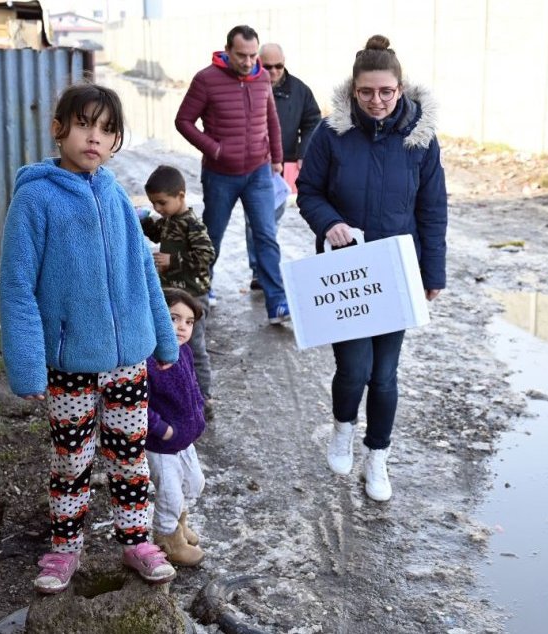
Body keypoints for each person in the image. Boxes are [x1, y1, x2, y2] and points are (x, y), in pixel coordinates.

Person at [0, 82, 179, 593]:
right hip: (70, 363)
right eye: (83, 124)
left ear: (116, 139)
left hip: (128, 362)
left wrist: (164, 339)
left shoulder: (116, 194)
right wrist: (29, 364)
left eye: (106, 129)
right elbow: (15, 285)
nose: (94, 137)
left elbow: (144, 270)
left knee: (128, 453)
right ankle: (64, 550)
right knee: (72, 460)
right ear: (60, 129)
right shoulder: (35, 199)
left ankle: (136, 541)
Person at [296, 35, 447, 502]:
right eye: (367, 92)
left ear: (400, 89)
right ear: (353, 90)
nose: (376, 101)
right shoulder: (331, 134)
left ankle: (377, 456)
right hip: (349, 272)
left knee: (385, 375)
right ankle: (343, 427)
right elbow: (308, 192)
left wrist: (433, 272)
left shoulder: (420, 140)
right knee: (354, 368)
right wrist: (331, 223)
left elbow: (432, 208)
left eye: (386, 92)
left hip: (398, 270)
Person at [175, 24, 290, 323]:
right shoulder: (206, 80)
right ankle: (202, 290)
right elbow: (184, 121)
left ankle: (277, 303)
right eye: (242, 55)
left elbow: (272, 121)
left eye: (254, 55)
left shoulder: (262, 76)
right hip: (220, 175)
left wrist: (277, 158)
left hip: (259, 173)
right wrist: (214, 149)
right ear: (227, 51)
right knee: (211, 236)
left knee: (266, 235)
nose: (249, 62)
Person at [139, 165, 216, 411]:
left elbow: (206, 254)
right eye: (154, 204)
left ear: (181, 196)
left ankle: (203, 399)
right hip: (171, 298)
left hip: (193, 298)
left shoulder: (191, 224)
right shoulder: (169, 220)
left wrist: (173, 261)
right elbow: (155, 231)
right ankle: (170, 395)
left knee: (194, 348)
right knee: (166, 345)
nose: (158, 209)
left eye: (162, 203)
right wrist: (142, 220)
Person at [245, 42, 321, 292]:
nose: (275, 71)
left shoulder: (300, 91)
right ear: (257, 63)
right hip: (252, 164)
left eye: (279, 66)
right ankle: (260, 271)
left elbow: (312, 120)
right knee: (256, 221)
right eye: (268, 66)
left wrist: (304, 151)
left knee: (269, 220)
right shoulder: (245, 85)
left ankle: (262, 268)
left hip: (282, 166)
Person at [145, 288, 207, 566]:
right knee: (169, 493)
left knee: (194, 483)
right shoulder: (149, 358)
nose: (182, 326)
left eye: (189, 321)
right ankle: (169, 539)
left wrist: (199, 409)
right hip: (162, 445)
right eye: (174, 318)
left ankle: (180, 523)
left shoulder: (184, 352)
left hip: (185, 438)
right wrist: (162, 430)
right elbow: (137, 405)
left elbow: (193, 385)